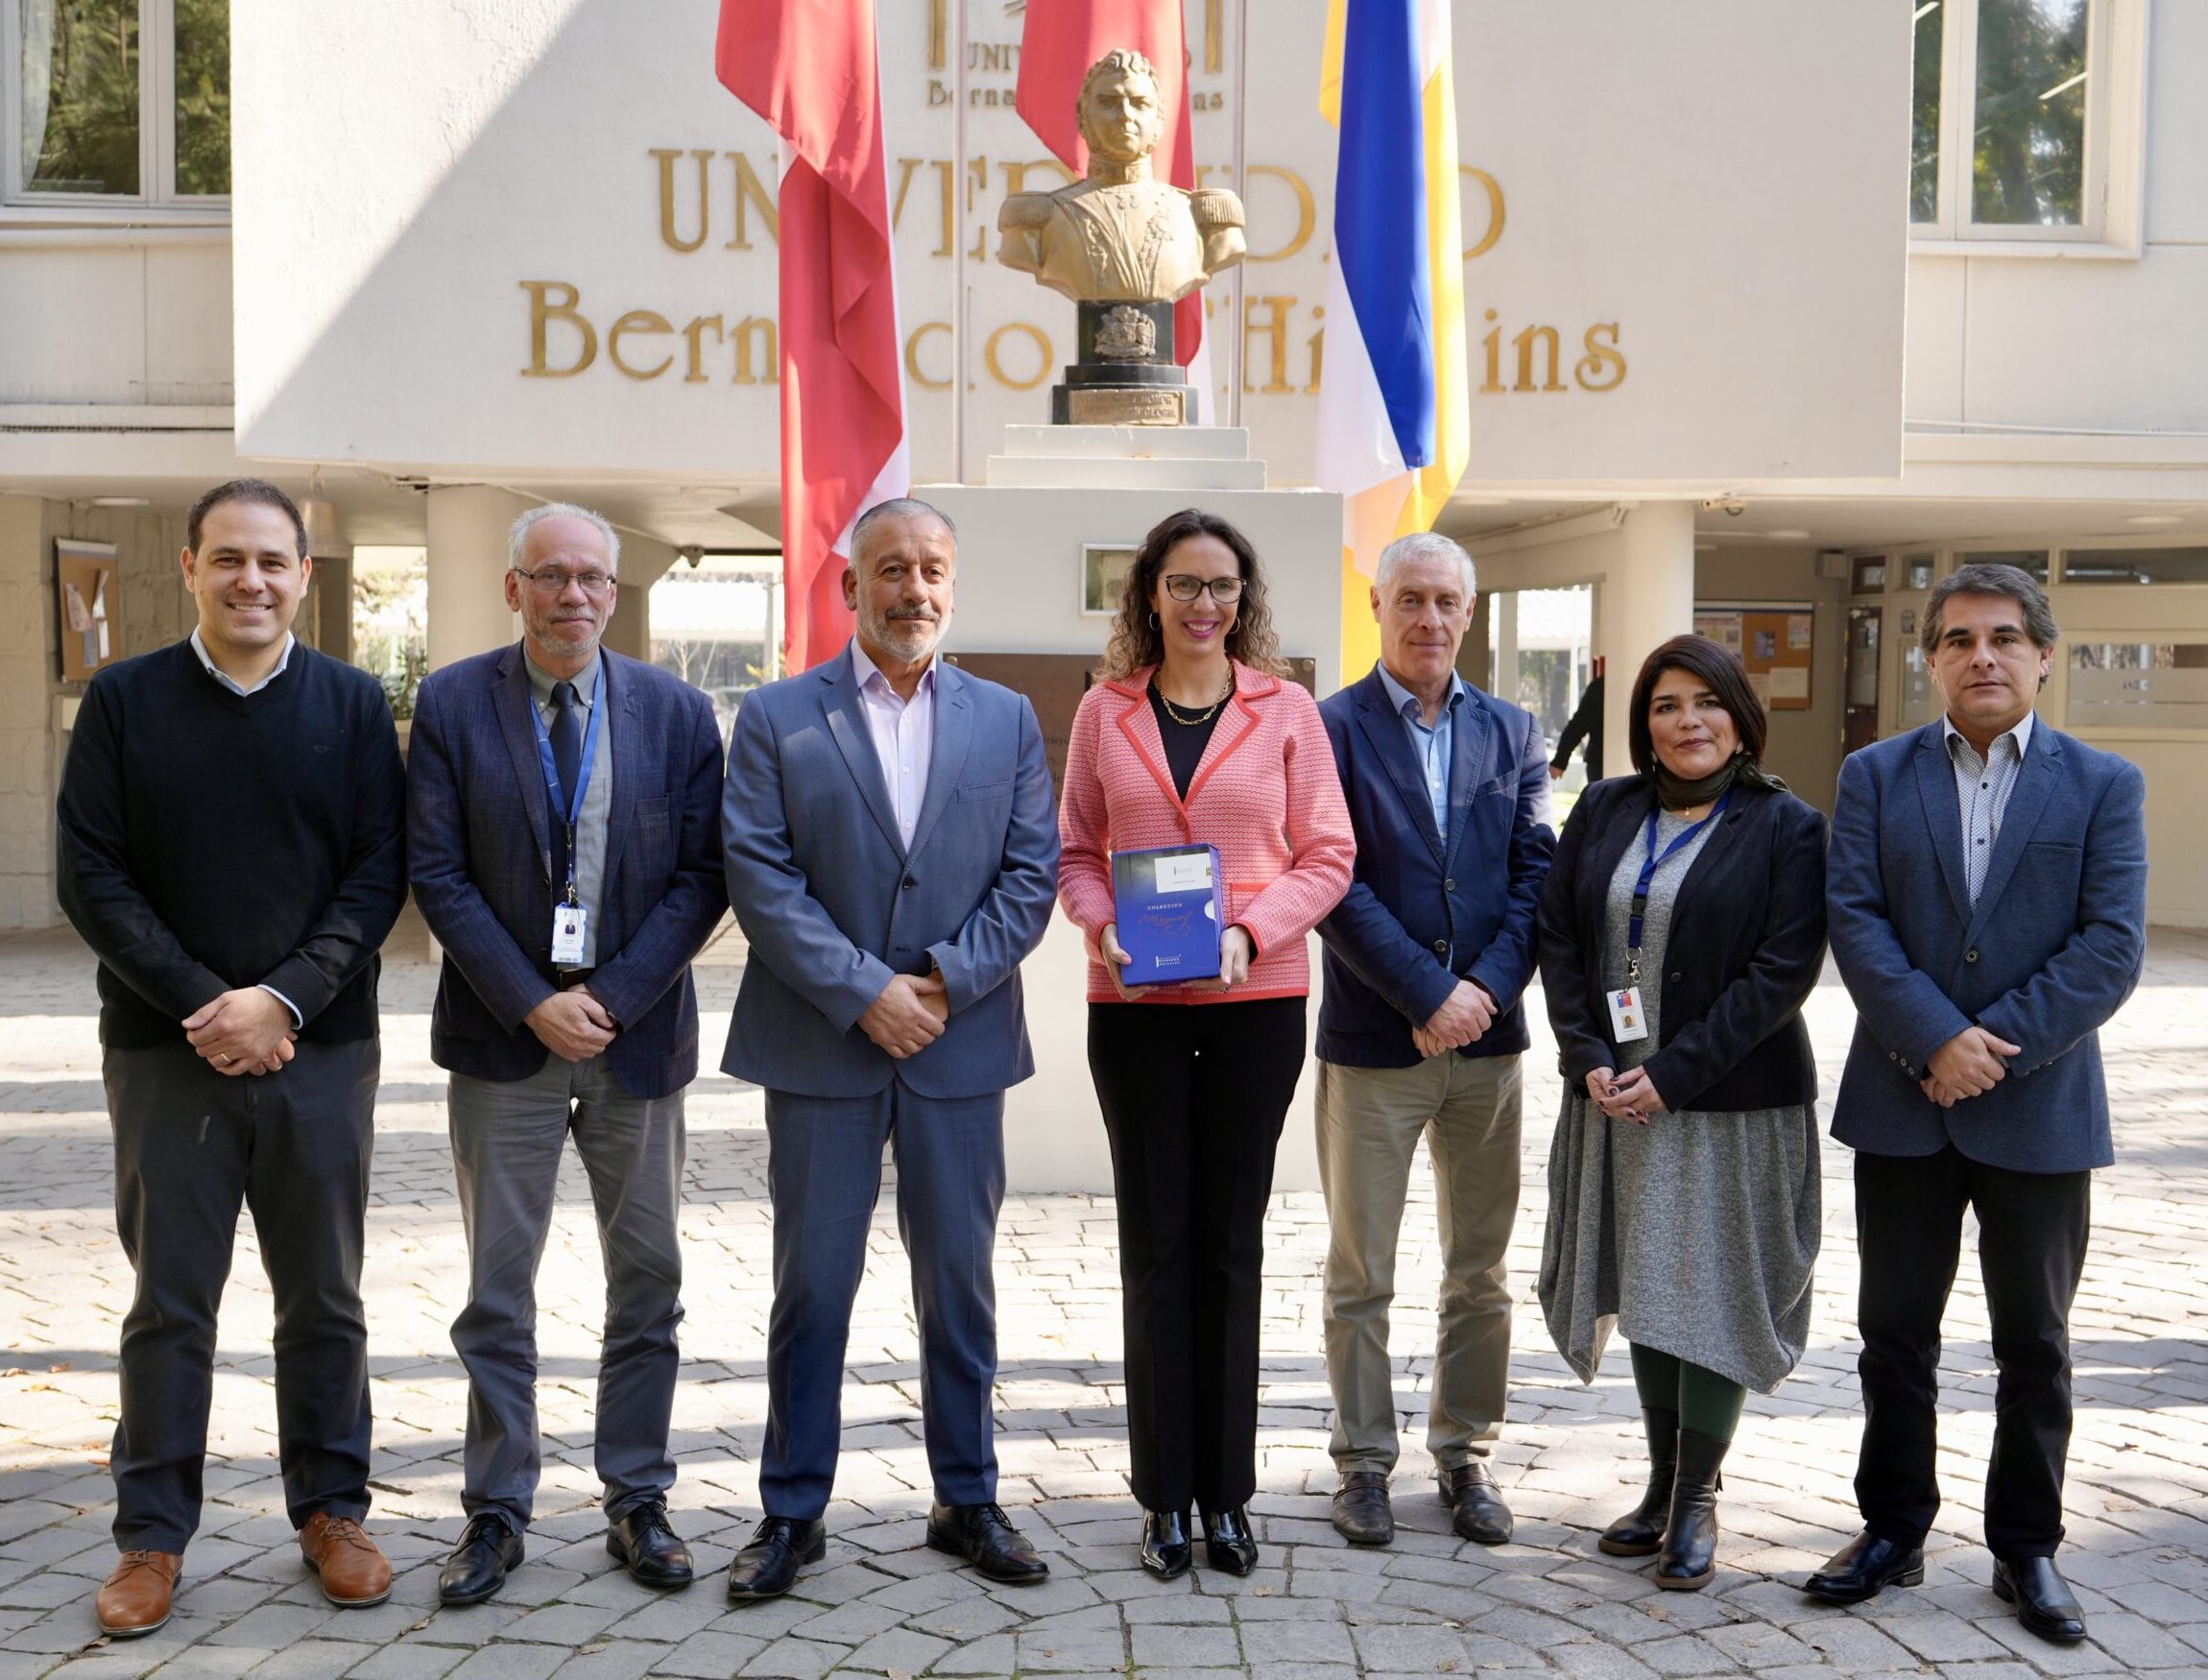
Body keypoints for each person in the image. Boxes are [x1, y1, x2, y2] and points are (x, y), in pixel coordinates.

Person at [56, 479, 408, 1638]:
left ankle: (332, 1512)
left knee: (325, 1298)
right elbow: (93, 877)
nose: (250, 579)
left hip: (321, 1050)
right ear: (191, 571)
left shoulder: (355, 704)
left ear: (304, 575)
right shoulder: (123, 700)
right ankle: (151, 1539)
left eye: (272, 560)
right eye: (228, 560)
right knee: (170, 1304)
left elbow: (375, 876)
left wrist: (286, 1001)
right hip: (168, 1052)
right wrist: (212, 1004)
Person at [721, 498, 1059, 1602]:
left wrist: (944, 982)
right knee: (810, 1287)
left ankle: (967, 1497)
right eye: (890, 570)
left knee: (957, 1286)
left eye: (930, 569)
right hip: (822, 1046)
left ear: (950, 583)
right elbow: (760, 879)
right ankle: (790, 1511)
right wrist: (866, 992)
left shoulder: (1004, 718)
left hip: (958, 1049)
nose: (913, 588)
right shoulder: (775, 718)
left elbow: (1028, 877)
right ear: (848, 585)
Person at [1806, 564, 2146, 1645]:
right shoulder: (1871, 774)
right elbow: (1854, 920)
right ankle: (1891, 1527)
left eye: (2003, 637)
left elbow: (2109, 947)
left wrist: (1985, 1050)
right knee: (1892, 1333)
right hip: (1903, 1105)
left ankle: (2025, 1547)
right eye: (1956, 640)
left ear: (2043, 654)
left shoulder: (2102, 784)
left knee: (2033, 1341)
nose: (1981, 657)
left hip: (2037, 1107)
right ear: (1929, 658)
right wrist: (1931, 1041)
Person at [407, 502, 728, 1604]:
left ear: (614, 588)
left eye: (592, 576)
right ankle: (495, 1510)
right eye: (550, 576)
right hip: (506, 1043)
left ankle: (636, 1496)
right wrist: (533, 1001)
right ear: (513, 590)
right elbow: (437, 873)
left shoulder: (679, 713)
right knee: (498, 1291)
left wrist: (616, 994)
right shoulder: (452, 702)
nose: (573, 596)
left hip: (635, 1042)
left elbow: (704, 875)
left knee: (648, 1282)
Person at [1059, 507, 1355, 1580]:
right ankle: (1161, 1498)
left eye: (1220, 586)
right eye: (1182, 584)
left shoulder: (1286, 712)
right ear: (1149, 595)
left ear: (1244, 598)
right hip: (1132, 1012)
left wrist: (1247, 928)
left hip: (1252, 1007)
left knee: (1229, 1246)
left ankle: (1224, 1496)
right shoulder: (1105, 710)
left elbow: (1327, 855)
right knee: (1155, 1248)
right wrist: (1101, 927)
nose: (1202, 604)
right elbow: (1075, 852)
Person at [1536, 635, 1827, 1591]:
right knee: (1650, 1281)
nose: (1685, 721)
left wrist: (1675, 1072)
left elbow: (1779, 973)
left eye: (1705, 702)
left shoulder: (1785, 826)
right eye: (1664, 705)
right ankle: (1662, 1484)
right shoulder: (1609, 808)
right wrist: (1588, 1059)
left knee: (1714, 1290)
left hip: (1728, 1102)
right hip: (1615, 1100)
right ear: (1641, 723)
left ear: (1739, 715)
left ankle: (1698, 1499)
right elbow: (1560, 939)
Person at [1311, 532, 1553, 1549]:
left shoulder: (1514, 729)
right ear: (1378, 607)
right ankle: (1363, 1462)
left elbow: (1536, 874)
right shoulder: (1325, 728)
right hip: (1375, 1042)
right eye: (1408, 597)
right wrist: (1424, 990)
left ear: (1468, 611)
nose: (1428, 618)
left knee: (1479, 1269)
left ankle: (1466, 1456)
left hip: (1486, 1051)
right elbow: (1330, 879)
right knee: (1360, 1270)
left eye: (1445, 600)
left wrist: (1482, 993)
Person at [997, 49, 1244, 304]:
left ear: (1159, 120)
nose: (1125, 114)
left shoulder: (1199, 217)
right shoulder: (1040, 219)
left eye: (1140, 103)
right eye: (1108, 102)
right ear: (1082, 118)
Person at [1550, 658, 1605, 783]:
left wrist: (1559, 761)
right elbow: (1578, 726)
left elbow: (1577, 726)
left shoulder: (1600, 686)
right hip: (1599, 764)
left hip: (1599, 764)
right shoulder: (1600, 688)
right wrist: (1560, 761)